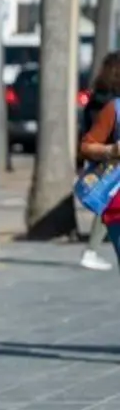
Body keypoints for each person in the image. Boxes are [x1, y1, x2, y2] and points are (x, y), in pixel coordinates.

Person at [75, 53, 120, 271]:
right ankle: (91, 251)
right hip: (114, 181)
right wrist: (112, 149)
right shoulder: (112, 106)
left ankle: (91, 250)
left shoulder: (98, 99)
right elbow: (88, 143)